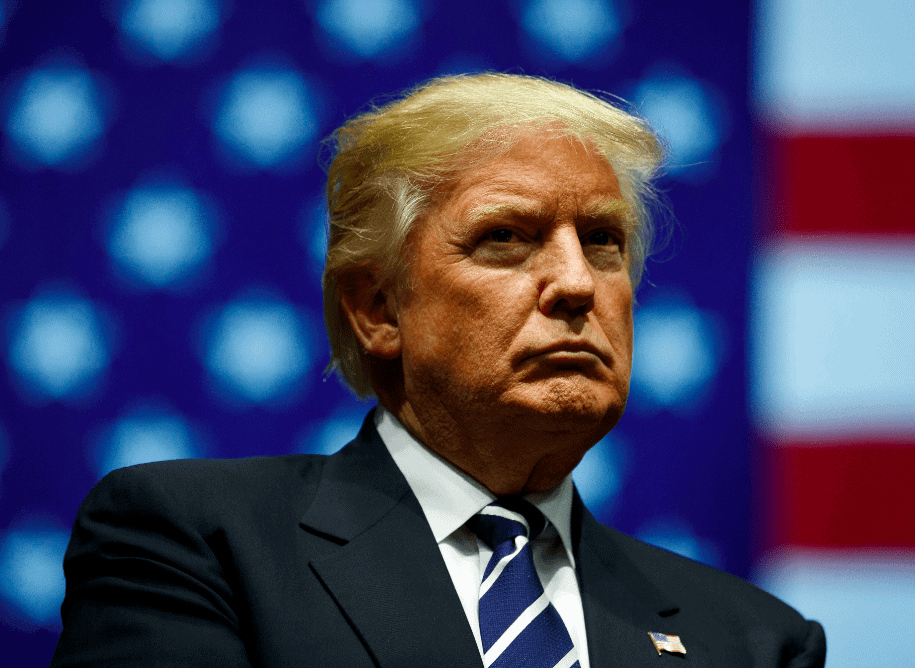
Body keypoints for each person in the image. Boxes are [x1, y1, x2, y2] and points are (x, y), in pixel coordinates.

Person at [51, 73, 826, 667]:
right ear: (378, 309)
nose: (576, 283)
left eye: (601, 241)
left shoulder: (754, 641)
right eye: (505, 238)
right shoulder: (196, 544)